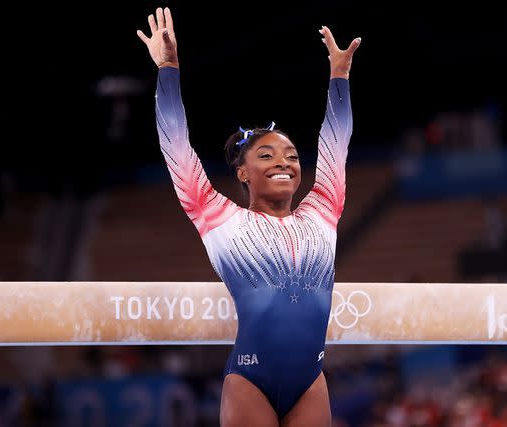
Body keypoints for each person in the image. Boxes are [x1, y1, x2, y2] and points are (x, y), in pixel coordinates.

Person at [137, 7, 360, 426]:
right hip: (250, 381)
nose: (285, 162)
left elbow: (337, 138)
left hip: (310, 380)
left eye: (292, 156)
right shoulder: (219, 216)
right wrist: (168, 68)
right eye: (267, 155)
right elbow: (176, 144)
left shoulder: (323, 209)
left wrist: (339, 79)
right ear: (242, 172)